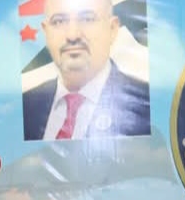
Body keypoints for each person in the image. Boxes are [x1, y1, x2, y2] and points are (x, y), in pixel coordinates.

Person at [23, 0, 151, 140]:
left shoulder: (146, 106)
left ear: (112, 29)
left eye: (87, 19)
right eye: (59, 21)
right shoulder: (26, 105)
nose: (72, 35)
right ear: (46, 32)